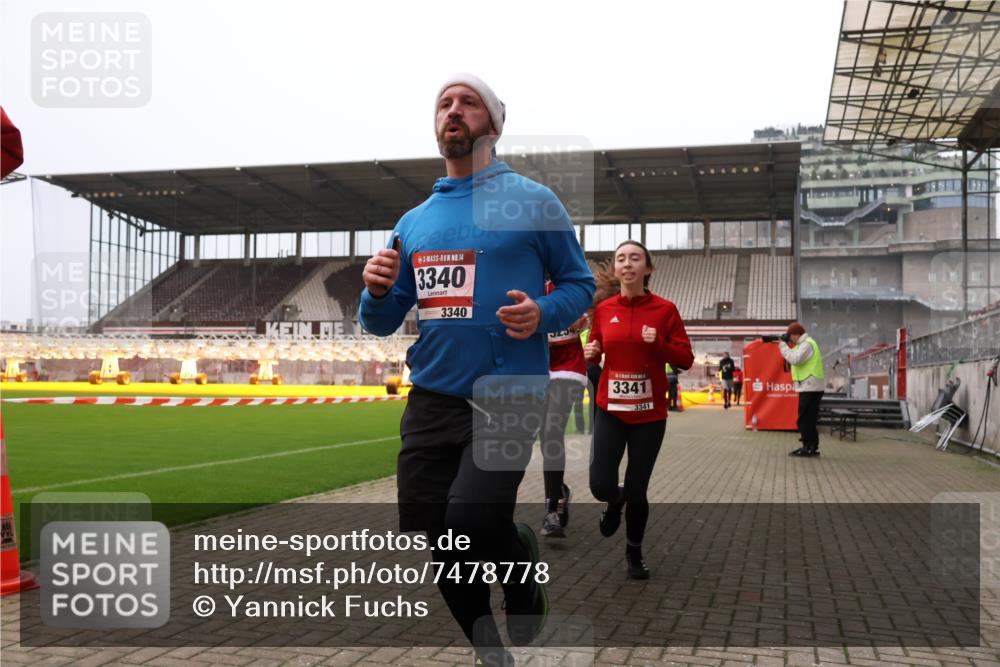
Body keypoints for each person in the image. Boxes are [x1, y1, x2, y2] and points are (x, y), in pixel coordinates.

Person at [359, 74, 595, 665]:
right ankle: (490, 651)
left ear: (493, 123)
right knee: (440, 540)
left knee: (469, 517)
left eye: (468, 102)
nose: (453, 111)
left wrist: (542, 312)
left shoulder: (533, 200)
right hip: (431, 399)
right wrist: (374, 291)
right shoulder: (413, 222)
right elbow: (383, 321)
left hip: (508, 393)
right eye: (444, 103)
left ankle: (515, 555)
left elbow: (580, 285)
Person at [584, 240, 693, 579]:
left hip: (648, 416)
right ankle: (613, 502)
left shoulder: (665, 310)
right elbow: (597, 351)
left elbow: (685, 359)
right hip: (611, 411)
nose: (627, 264)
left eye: (635, 258)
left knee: (637, 489)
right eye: (621, 259)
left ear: (648, 269)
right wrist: (592, 354)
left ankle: (634, 551)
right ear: (616, 269)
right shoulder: (603, 310)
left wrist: (657, 343)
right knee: (601, 484)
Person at [539, 280, 589, 538]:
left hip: (568, 367)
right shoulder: (523, 281)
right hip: (536, 366)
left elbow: (588, 318)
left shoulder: (567, 284)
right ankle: (558, 492)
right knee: (543, 436)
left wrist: (580, 321)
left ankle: (551, 511)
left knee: (552, 430)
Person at [776, 322, 825, 457]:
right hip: (812, 385)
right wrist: (786, 345)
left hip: (810, 386)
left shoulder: (807, 344)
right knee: (810, 418)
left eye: (790, 336)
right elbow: (794, 355)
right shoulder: (805, 344)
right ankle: (811, 446)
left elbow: (794, 359)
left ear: (797, 334)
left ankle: (808, 447)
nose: (789, 339)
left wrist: (782, 345)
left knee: (804, 419)